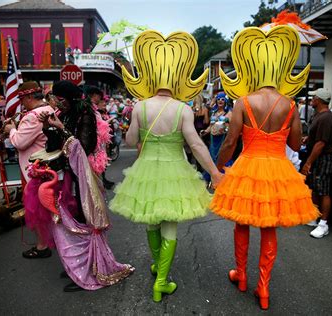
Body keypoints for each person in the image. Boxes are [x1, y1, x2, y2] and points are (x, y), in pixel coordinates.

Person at [210, 26, 320, 310]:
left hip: (248, 167)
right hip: (277, 171)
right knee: (269, 229)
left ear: (253, 71)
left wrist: (218, 169)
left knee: (242, 222)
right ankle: (264, 288)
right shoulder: (290, 105)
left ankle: (242, 276)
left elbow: (231, 141)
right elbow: (295, 146)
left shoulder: (243, 102)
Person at [109, 30, 223, 303]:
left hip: (146, 170)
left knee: (151, 222)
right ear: (176, 79)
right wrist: (215, 173)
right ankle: (161, 279)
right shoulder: (183, 109)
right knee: (169, 224)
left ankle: (158, 266)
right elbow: (195, 145)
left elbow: (131, 139)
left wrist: (134, 128)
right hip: (174, 170)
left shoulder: (140, 107)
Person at [27, 81, 134, 292]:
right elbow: (54, 146)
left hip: (83, 178)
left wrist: (61, 127)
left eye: (60, 99)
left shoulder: (85, 114)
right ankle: (80, 265)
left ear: (70, 98)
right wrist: (49, 127)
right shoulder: (62, 113)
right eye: (55, 99)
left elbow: (83, 147)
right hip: (68, 175)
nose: (57, 103)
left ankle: (94, 269)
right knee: (73, 220)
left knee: (86, 220)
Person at [4, 81, 54, 259]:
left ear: (29, 97)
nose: (21, 103)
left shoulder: (33, 116)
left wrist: (11, 130)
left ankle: (42, 246)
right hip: (46, 167)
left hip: (34, 170)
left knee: (37, 210)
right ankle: (49, 242)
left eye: (22, 99)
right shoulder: (48, 109)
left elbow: (19, 142)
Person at [301, 88, 332, 238]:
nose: (312, 99)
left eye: (314, 97)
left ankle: (323, 224)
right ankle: (314, 217)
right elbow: (316, 138)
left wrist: (308, 163)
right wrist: (307, 139)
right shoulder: (319, 115)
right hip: (317, 157)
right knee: (315, 188)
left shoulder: (326, 118)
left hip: (322, 158)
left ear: (320, 100)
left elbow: (321, 143)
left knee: (323, 191)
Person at [86, 86, 115, 189]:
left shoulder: (93, 110)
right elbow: (99, 127)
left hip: (97, 146)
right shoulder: (90, 110)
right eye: (99, 97)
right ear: (94, 96)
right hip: (94, 147)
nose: (100, 100)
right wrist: (107, 123)